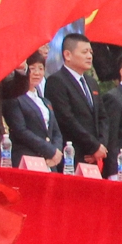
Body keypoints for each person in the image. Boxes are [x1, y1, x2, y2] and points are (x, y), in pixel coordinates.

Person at [46, 32, 104, 165]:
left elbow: (102, 117)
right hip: (71, 154)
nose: (89, 56)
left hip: (94, 156)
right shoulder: (56, 81)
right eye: (84, 52)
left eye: (90, 52)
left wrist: (100, 145)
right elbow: (66, 118)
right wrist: (93, 146)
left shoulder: (92, 83)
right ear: (68, 55)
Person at [3, 59, 62, 165]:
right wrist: (49, 150)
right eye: (32, 68)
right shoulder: (15, 98)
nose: (37, 73)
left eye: (41, 68)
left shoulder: (45, 101)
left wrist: (56, 152)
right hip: (27, 157)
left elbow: (56, 132)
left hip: (50, 160)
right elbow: (20, 130)